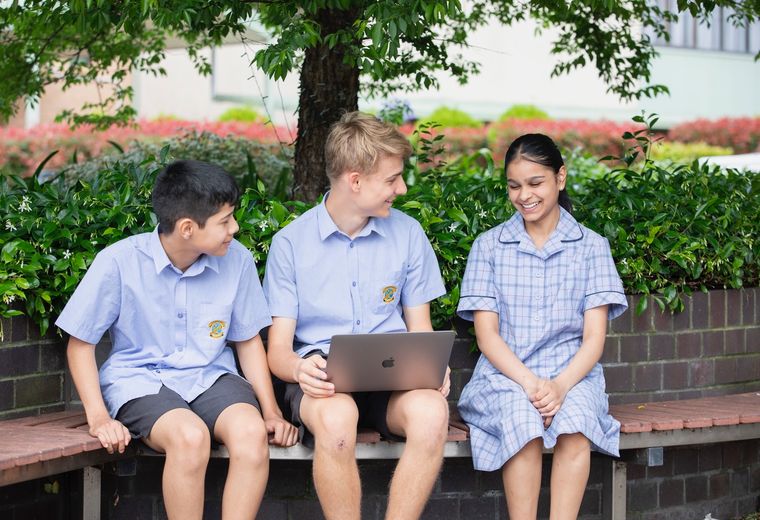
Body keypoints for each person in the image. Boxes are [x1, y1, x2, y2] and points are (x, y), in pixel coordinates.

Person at [56, 160, 297, 520]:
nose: (235, 228)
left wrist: (272, 412)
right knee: (190, 437)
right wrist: (99, 418)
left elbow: (247, 342)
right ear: (187, 228)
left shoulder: (238, 260)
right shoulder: (119, 262)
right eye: (225, 220)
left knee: (250, 433)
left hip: (210, 376)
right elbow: (80, 343)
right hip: (140, 380)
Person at [264, 111, 451, 520]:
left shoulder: (408, 235)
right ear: (355, 181)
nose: (400, 189)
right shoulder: (290, 245)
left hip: (393, 379)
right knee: (336, 420)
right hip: (324, 385)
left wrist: (434, 367)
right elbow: (277, 353)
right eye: (391, 179)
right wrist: (299, 369)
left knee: (433, 414)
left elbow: (421, 330)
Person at [456, 134, 628, 519]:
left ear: (560, 178)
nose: (524, 195)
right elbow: (487, 337)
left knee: (576, 422)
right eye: (514, 186)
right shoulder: (489, 246)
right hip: (506, 376)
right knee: (522, 421)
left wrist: (560, 385)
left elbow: (594, 339)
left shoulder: (591, 247)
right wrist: (533, 386)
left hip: (573, 374)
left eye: (536, 183)